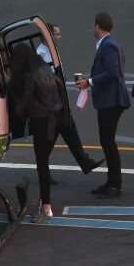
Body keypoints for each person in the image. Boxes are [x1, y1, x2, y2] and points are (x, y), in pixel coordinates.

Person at [36, 23, 104, 180]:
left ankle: (84, 162)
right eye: (57, 34)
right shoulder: (41, 55)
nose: (59, 37)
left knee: (68, 131)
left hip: (59, 103)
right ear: (48, 36)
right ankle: (44, 171)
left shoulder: (50, 52)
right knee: (53, 138)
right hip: (52, 105)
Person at [8, 43, 65, 222]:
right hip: (53, 120)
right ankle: (44, 204)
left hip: (41, 124)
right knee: (44, 164)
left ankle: (45, 206)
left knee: (42, 166)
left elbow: (23, 103)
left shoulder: (30, 77)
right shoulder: (44, 70)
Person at [76, 12, 131, 199]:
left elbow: (113, 72)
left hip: (111, 100)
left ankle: (115, 184)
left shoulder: (108, 46)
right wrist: (90, 78)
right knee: (107, 141)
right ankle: (112, 182)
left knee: (108, 142)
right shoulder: (110, 45)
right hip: (110, 100)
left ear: (97, 26)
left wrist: (89, 82)